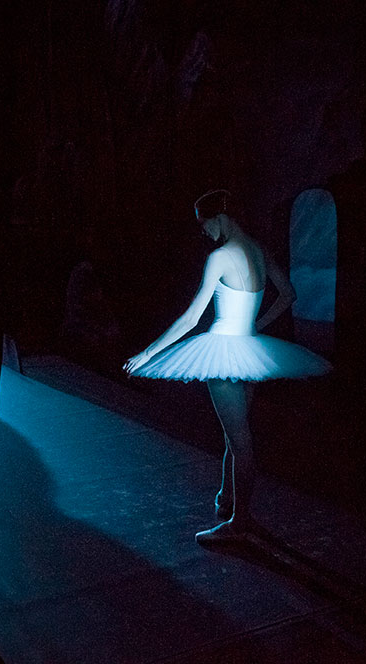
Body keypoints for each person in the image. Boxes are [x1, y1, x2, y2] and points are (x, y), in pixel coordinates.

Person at [124, 189, 331, 544]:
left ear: (220, 218)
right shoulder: (258, 250)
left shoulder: (220, 257)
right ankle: (227, 498)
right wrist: (256, 329)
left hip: (224, 352)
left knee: (239, 439)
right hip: (248, 349)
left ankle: (239, 523)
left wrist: (147, 353)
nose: (204, 232)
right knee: (234, 434)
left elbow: (192, 318)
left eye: (204, 225)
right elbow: (289, 295)